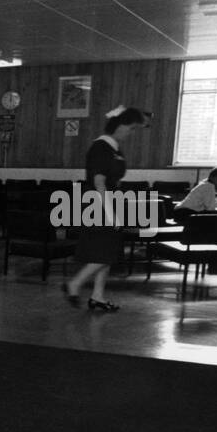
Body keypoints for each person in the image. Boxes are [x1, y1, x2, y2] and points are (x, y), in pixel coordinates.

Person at [61, 105, 149, 312]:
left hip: (109, 201)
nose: (131, 133)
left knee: (106, 252)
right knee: (106, 253)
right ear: (120, 125)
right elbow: (99, 182)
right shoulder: (101, 147)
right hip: (98, 204)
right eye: (132, 128)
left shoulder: (114, 148)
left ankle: (97, 296)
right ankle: (75, 284)